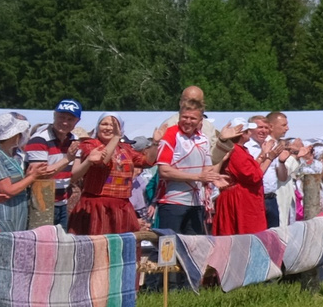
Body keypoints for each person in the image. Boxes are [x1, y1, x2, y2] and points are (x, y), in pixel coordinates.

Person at [70, 116, 153, 236]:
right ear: (98, 127)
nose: (108, 128)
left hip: (121, 205)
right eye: (104, 124)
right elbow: (102, 162)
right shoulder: (91, 144)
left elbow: (146, 162)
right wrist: (116, 138)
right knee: (99, 244)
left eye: (113, 125)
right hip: (97, 205)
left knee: (123, 245)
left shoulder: (125, 148)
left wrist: (155, 143)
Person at [152, 91, 218, 237]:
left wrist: (215, 179)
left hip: (197, 202)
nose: (188, 121)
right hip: (172, 201)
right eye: (185, 117)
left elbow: (207, 169)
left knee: (194, 247)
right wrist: (198, 177)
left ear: (200, 120)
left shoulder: (203, 139)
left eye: (192, 118)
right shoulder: (170, 135)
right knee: (168, 250)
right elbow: (164, 171)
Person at [24, 101, 85, 228]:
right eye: (61, 117)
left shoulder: (74, 140)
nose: (65, 122)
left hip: (63, 201)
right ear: (54, 115)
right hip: (42, 201)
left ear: (77, 121)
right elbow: (39, 176)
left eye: (70, 119)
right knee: (43, 243)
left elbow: (73, 175)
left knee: (60, 244)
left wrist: (90, 161)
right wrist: (67, 159)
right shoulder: (39, 139)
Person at [0, 114, 38, 233]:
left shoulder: (10, 154)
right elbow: (6, 190)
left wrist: (27, 176)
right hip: (1, 215)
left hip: (16, 213)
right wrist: (32, 177)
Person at [211, 120, 268, 237]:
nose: (250, 133)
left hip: (240, 197)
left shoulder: (239, 150)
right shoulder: (236, 151)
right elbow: (253, 176)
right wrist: (269, 158)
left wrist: (263, 155)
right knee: (244, 235)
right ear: (242, 134)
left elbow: (251, 170)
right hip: (240, 200)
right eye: (247, 131)